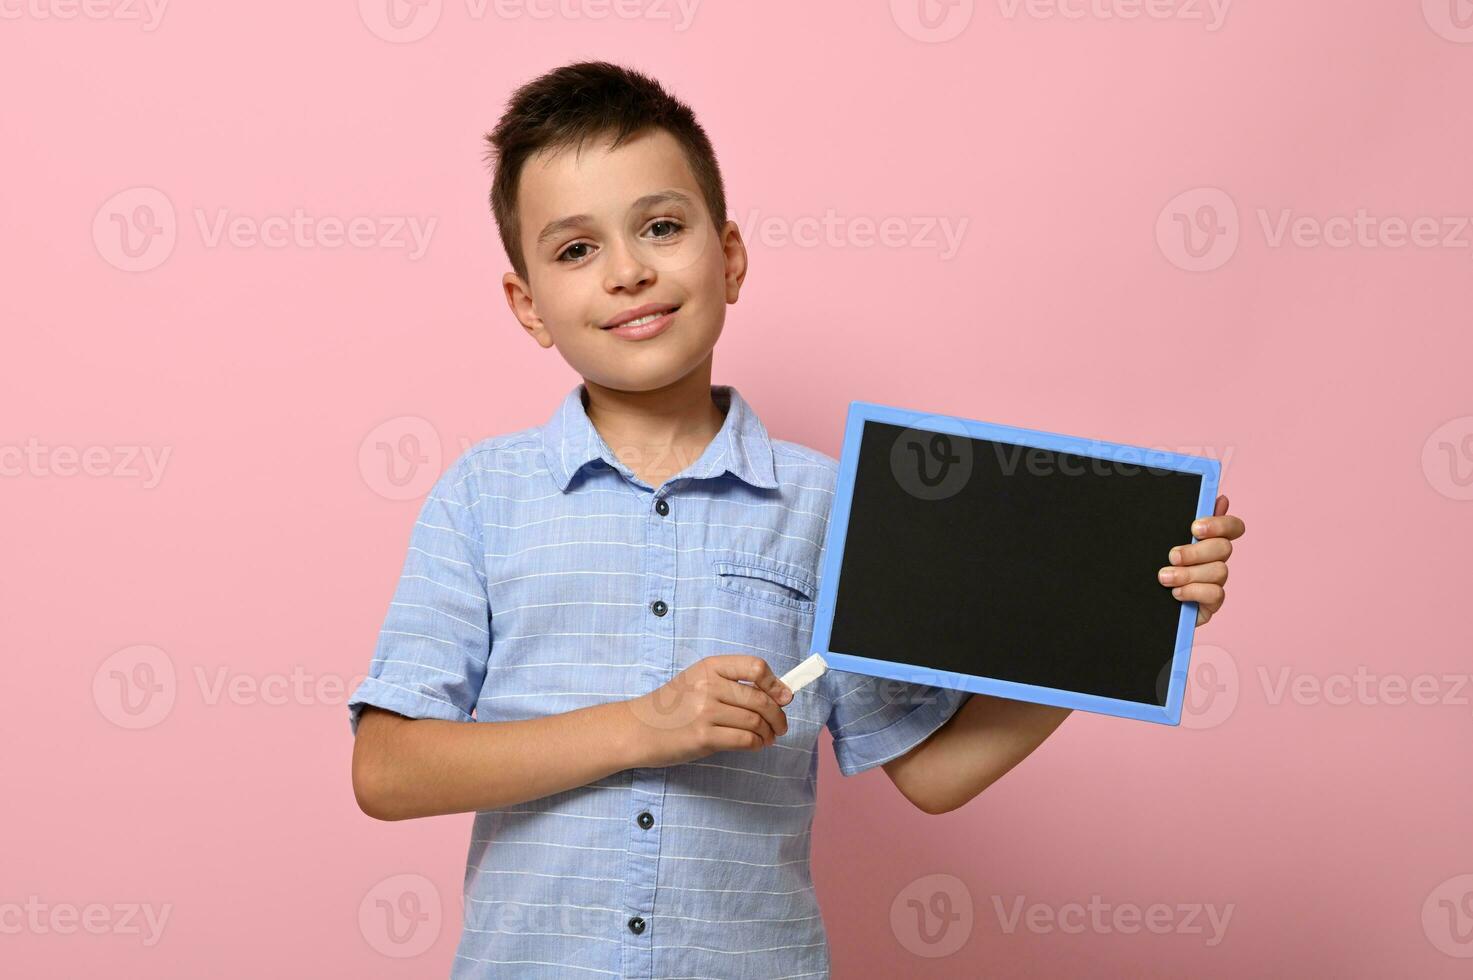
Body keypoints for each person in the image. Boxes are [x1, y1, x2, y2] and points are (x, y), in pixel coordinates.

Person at [346, 60, 1245, 979]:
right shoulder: (483, 496)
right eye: (575, 249)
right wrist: (642, 726)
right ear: (527, 304)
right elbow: (387, 769)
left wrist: (1128, 612)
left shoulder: (829, 508)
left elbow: (932, 773)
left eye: (661, 226)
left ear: (728, 256)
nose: (627, 271)